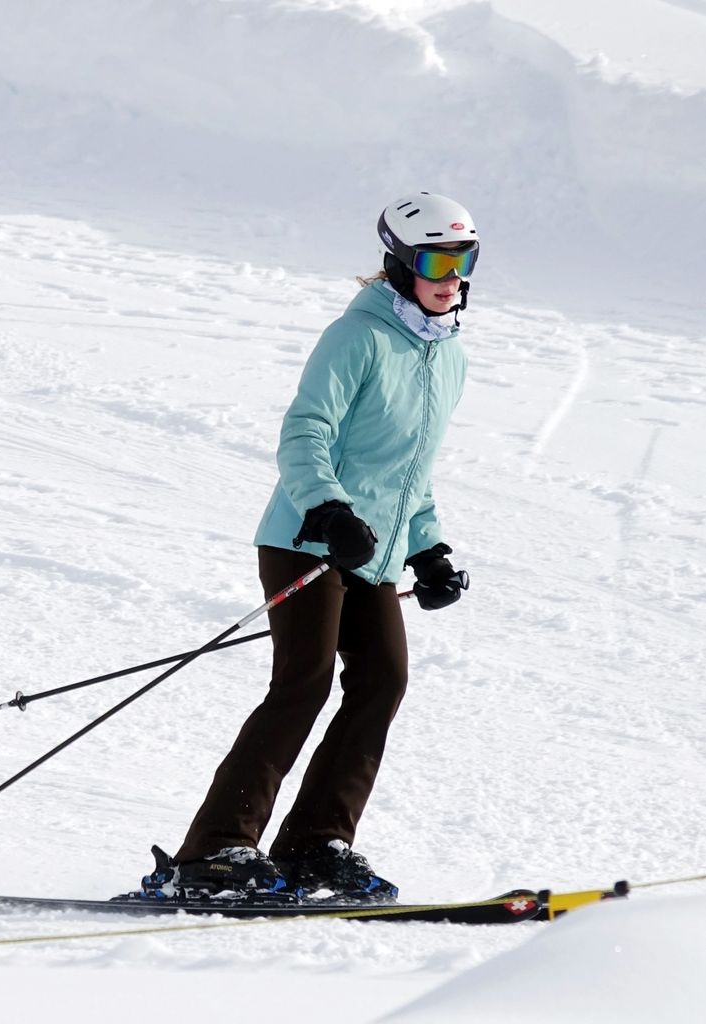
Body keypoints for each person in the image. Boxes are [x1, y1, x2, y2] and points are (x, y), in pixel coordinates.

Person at [138, 192, 478, 902]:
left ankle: (316, 844)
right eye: (436, 260)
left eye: (463, 258)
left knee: (383, 678)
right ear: (397, 264)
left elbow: (411, 469)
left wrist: (428, 550)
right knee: (305, 680)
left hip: (374, 554)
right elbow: (305, 432)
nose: (451, 274)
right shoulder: (355, 337)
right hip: (306, 539)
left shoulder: (448, 358)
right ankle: (216, 850)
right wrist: (326, 508)